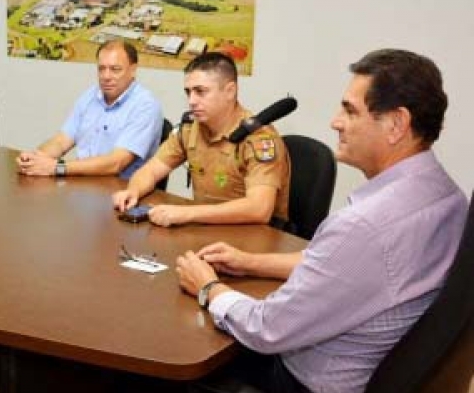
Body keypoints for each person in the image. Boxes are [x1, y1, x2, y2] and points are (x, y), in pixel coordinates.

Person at [176, 49, 468, 393]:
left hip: (304, 382)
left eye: (349, 110)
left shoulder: (364, 225)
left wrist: (210, 288)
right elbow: (346, 267)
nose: (335, 122)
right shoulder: (446, 194)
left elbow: (267, 328)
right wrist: (250, 262)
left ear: (396, 124)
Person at [112, 52, 290, 227]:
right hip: (207, 228)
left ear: (230, 91)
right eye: (188, 92)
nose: (191, 101)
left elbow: (259, 209)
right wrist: (132, 190)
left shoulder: (259, 138)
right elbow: (151, 170)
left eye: (200, 92)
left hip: (255, 237)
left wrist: (187, 213)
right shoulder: (191, 128)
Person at [16, 40, 163, 180]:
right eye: (101, 69)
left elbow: (116, 163)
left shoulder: (146, 106)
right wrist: (34, 158)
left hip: (121, 193)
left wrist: (57, 167)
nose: (106, 76)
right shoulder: (91, 96)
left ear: (133, 70)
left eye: (115, 69)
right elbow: (61, 141)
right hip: (81, 184)